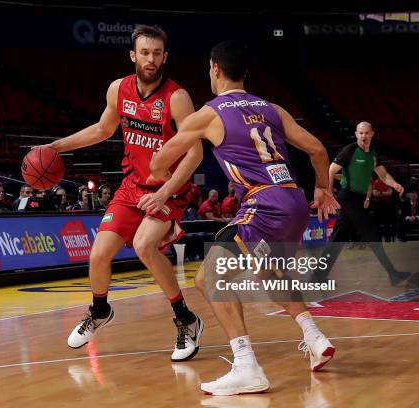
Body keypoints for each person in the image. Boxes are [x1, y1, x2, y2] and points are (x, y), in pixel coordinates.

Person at [148, 40, 340, 395]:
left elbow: (159, 164)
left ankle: (246, 365)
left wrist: (164, 172)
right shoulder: (271, 108)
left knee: (208, 279)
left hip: (263, 203)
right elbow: (316, 149)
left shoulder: (209, 113)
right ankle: (315, 338)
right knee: (268, 271)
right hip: (294, 202)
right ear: (244, 73)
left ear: (214, 69)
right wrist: (322, 189)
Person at [38, 25, 204, 361]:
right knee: (98, 255)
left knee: (144, 245)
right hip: (132, 187)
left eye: (157, 53)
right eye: (145, 52)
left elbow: (195, 153)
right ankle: (99, 310)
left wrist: (165, 193)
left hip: (169, 189)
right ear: (133, 55)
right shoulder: (119, 89)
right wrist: (58, 146)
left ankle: (187, 319)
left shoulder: (177, 97)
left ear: (165, 57)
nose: (151, 59)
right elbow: (102, 129)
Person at [314, 122, 410, 286]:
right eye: (360, 133)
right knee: (372, 234)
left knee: (338, 238)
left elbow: (383, 174)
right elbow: (331, 170)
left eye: (366, 133)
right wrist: (329, 193)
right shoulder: (349, 151)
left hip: (357, 199)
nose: (363, 136)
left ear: (372, 133)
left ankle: (318, 276)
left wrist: (394, 184)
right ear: (356, 134)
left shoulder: (373, 153)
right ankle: (393, 274)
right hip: (348, 197)